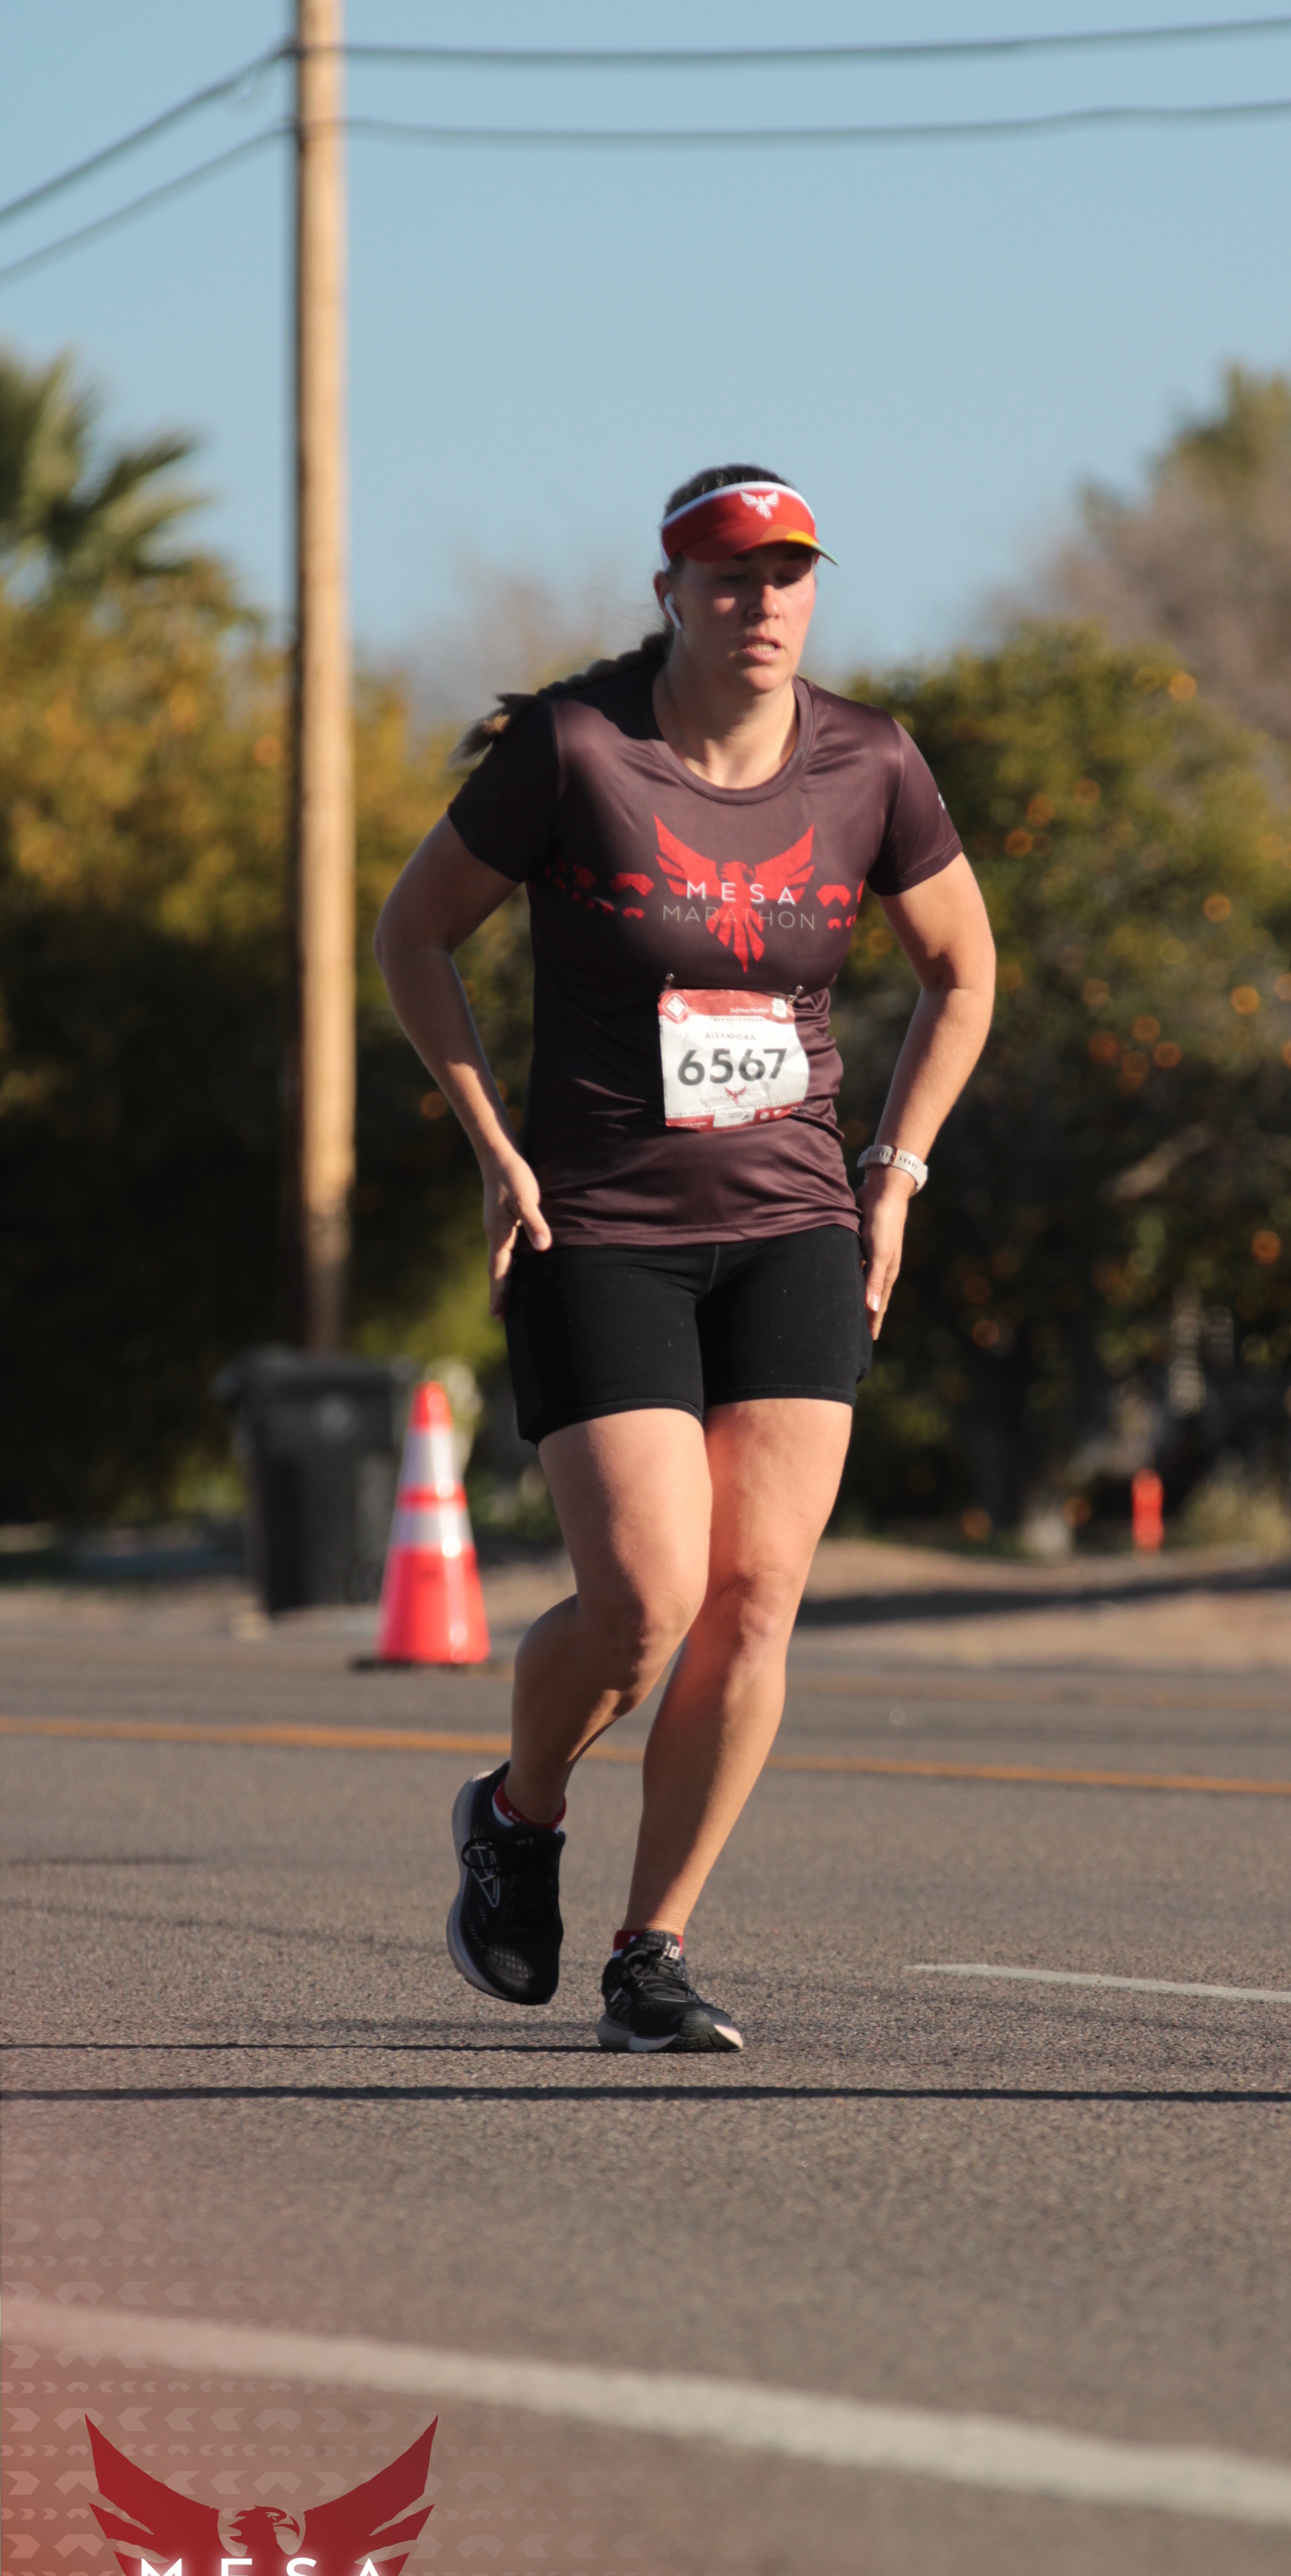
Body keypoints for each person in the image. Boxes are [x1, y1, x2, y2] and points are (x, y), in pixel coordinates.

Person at [374, 466, 994, 2052]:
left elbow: (962, 972)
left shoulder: (871, 761)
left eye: (788, 575)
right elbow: (414, 933)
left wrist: (896, 1174)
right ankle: (516, 1815)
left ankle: (650, 1953)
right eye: (728, 577)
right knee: (645, 1603)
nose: (761, 604)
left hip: (795, 1223)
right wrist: (493, 1145)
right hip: (600, 1226)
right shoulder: (576, 749)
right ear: (669, 596)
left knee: (756, 1599)